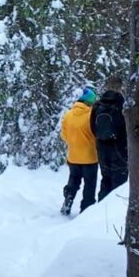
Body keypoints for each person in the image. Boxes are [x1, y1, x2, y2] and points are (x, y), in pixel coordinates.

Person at [60, 87, 99, 215]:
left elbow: (63, 136)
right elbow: (96, 134)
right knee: (89, 186)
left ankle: (68, 199)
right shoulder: (91, 115)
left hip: (73, 157)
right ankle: (86, 211)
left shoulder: (68, 114)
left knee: (73, 181)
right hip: (90, 157)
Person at [90, 75, 128, 201]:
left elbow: (93, 128)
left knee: (105, 179)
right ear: (120, 87)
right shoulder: (123, 105)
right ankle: (114, 209)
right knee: (119, 183)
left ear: (106, 87)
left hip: (102, 149)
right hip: (119, 149)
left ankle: (101, 207)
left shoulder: (97, 105)